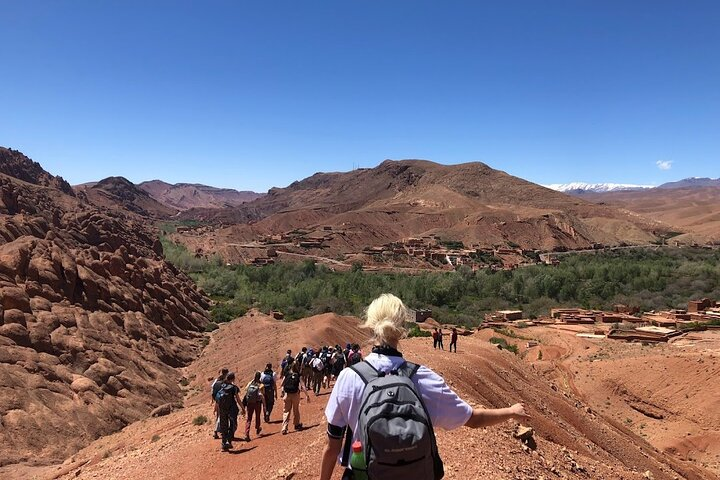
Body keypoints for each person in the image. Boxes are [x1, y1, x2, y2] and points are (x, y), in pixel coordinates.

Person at [319, 294, 529, 479]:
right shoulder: (423, 378)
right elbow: (473, 419)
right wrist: (511, 412)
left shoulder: (348, 378)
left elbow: (332, 445)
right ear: (402, 330)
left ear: (370, 325)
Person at [215, 372, 245, 451]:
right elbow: (238, 399)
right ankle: (229, 440)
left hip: (222, 409)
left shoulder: (220, 385)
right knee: (233, 425)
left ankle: (224, 443)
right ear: (233, 379)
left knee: (224, 425)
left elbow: (217, 399)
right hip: (232, 409)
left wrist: (217, 408)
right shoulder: (234, 387)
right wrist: (243, 408)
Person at [280, 362, 311, 435]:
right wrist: (307, 395)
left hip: (287, 394)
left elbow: (282, 384)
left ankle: (284, 428)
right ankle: (296, 424)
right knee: (296, 410)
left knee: (286, 411)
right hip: (295, 395)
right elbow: (303, 386)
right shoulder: (298, 375)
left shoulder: (287, 373)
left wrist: (283, 391)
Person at [243, 371, 264, 441]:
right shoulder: (261, 385)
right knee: (257, 416)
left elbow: (246, 389)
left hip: (250, 403)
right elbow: (262, 394)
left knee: (249, 418)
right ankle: (258, 428)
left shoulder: (250, 383)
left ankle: (246, 434)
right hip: (257, 403)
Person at [210, 368, 228, 439]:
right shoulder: (225, 381)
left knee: (218, 416)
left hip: (217, 400)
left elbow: (212, 390)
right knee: (222, 416)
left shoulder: (216, 381)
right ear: (226, 373)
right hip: (223, 401)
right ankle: (218, 431)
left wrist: (213, 400)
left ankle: (217, 432)